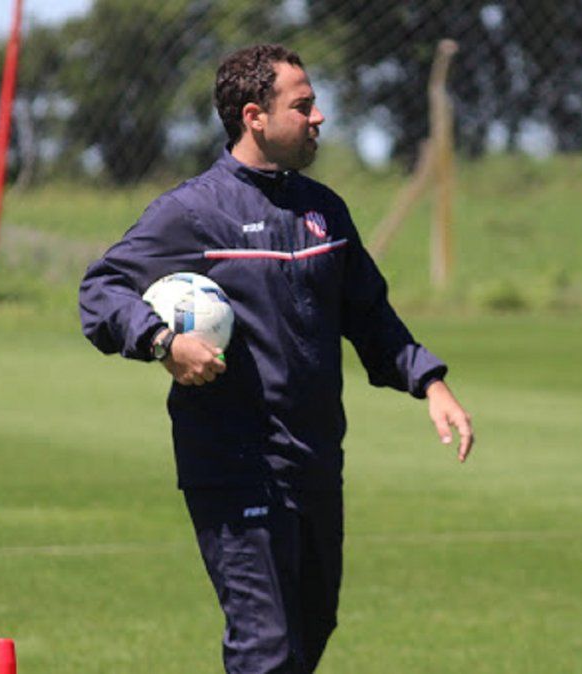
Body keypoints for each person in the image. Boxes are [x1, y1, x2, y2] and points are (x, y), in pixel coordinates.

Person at [79, 43, 474, 674]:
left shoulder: (324, 210)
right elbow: (101, 291)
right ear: (255, 115)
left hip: (314, 459)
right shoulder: (192, 211)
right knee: (265, 648)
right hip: (234, 464)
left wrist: (429, 382)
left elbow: (369, 316)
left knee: (309, 633)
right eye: (304, 105)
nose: (319, 117)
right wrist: (164, 341)